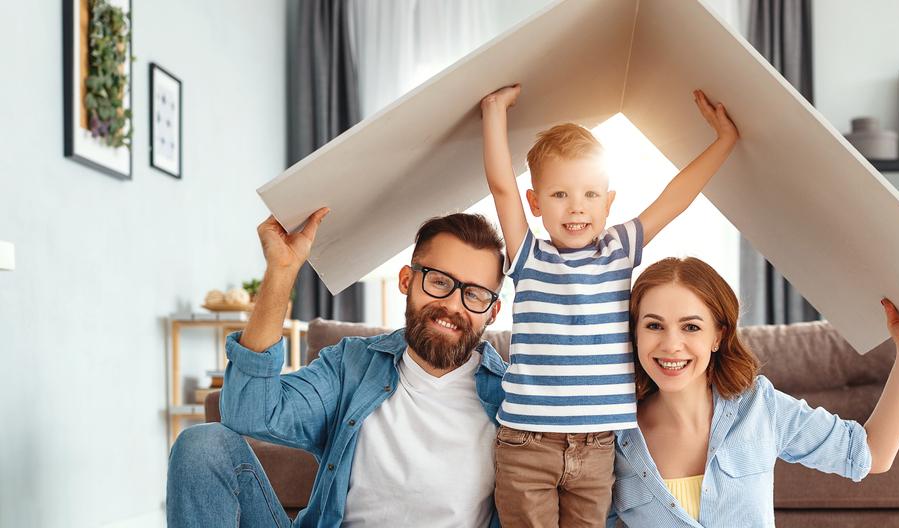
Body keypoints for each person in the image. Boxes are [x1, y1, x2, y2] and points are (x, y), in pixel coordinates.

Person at [479, 84, 740, 527]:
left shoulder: (619, 248)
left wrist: (724, 142)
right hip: (526, 445)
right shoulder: (528, 254)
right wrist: (494, 112)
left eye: (590, 195)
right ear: (536, 203)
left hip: (599, 447)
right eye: (560, 195)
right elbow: (502, 186)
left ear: (609, 201)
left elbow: (674, 199)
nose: (576, 208)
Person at [167, 208, 511, 528]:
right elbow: (248, 413)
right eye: (438, 281)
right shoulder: (352, 366)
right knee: (203, 445)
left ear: (492, 312)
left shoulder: (513, 396)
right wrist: (282, 271)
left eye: (476, 294)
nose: (452, 305)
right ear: (407, 280)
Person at [610, 257, 899, 527]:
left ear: (718, 336)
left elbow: (871, 455)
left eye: (691, 327)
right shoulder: (611, 433)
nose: (670, 345)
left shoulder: (759, 407)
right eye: (654, 325)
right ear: (635, 333)